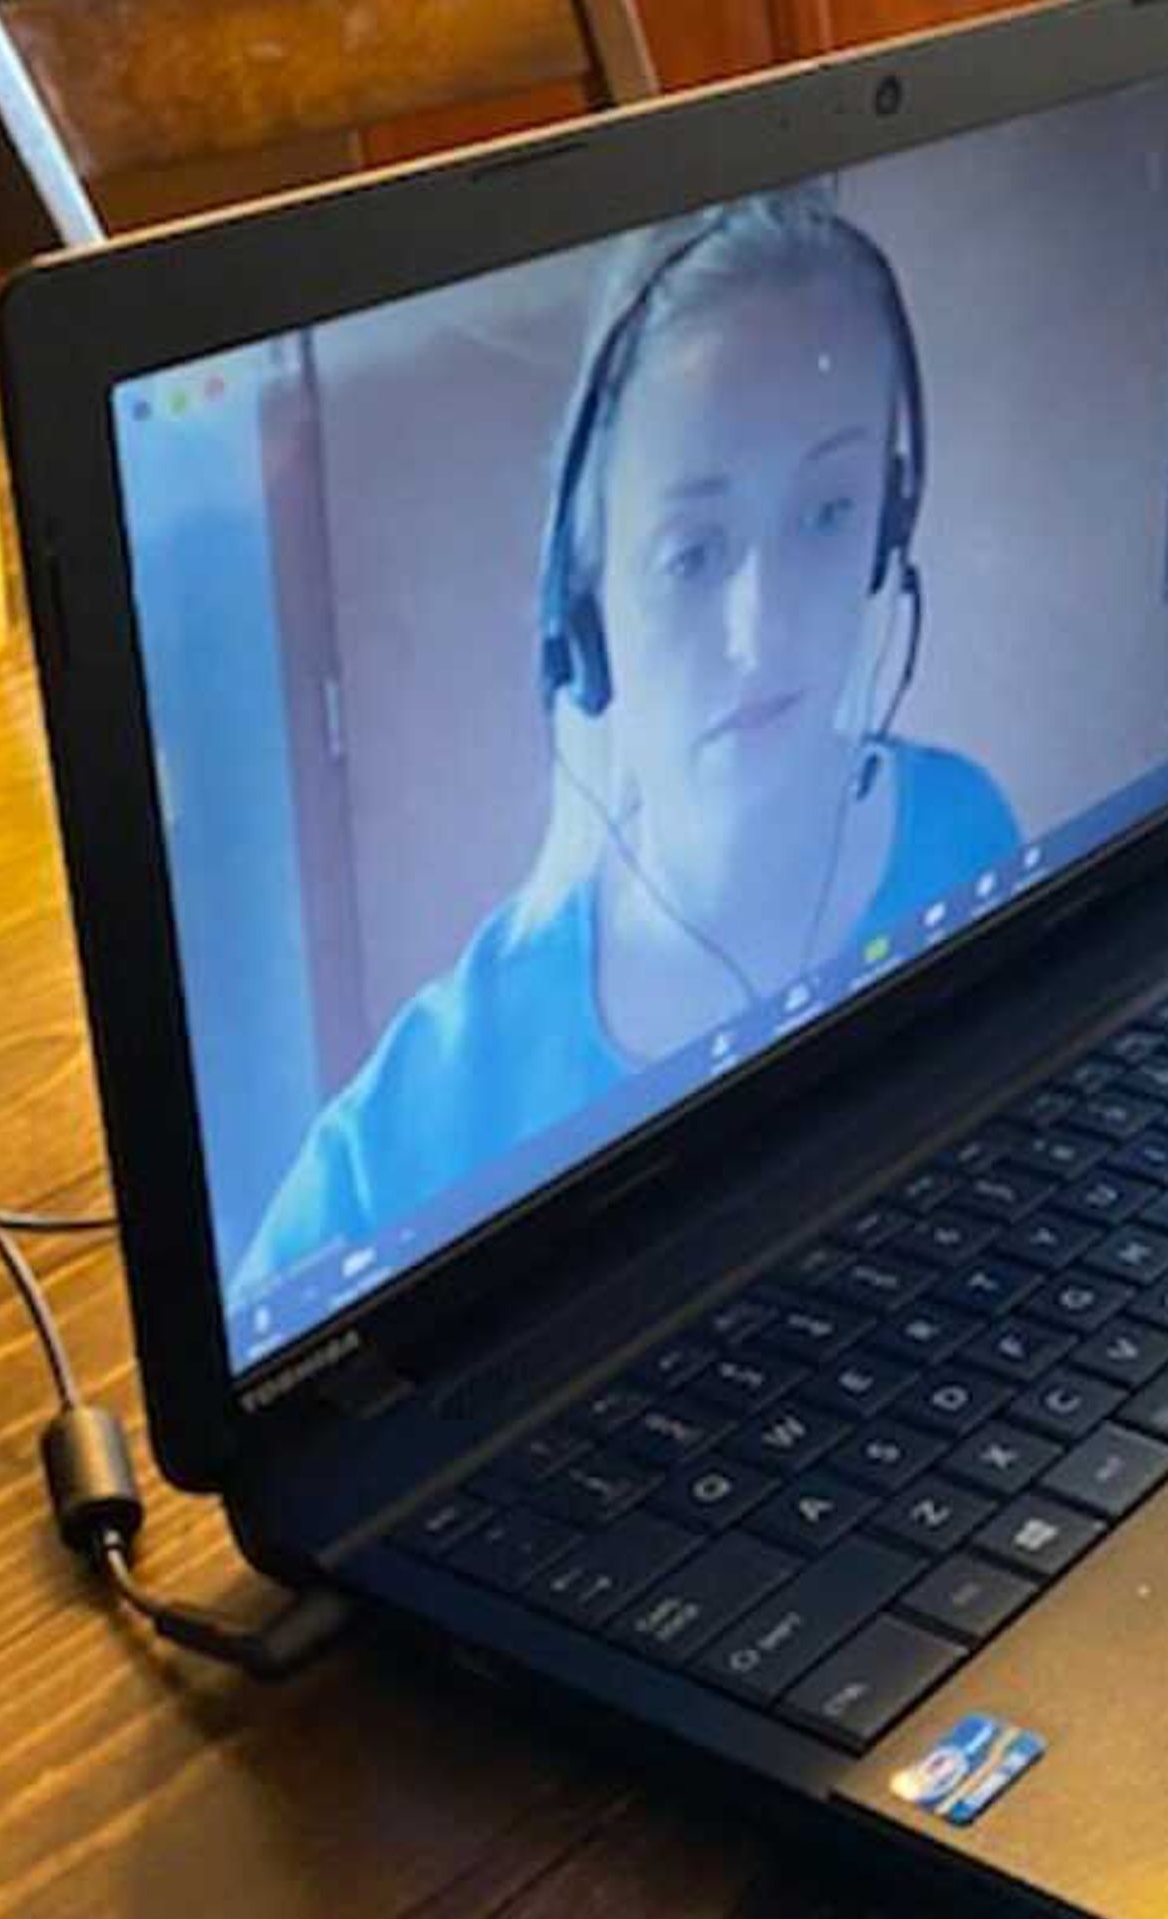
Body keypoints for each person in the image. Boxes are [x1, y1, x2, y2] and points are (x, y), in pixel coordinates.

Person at [241, 192, 1020, 1291]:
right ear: (584, 612)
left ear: (892, 534)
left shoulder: (968, 827)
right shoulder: (414, 1118)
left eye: (829, 515)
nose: (762, 634)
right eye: (692, 553)